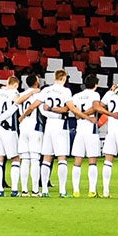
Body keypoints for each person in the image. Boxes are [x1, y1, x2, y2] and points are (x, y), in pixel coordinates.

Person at [37, 69, 74, 197]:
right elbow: (66, 109)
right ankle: (62, 191)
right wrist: (54, 110)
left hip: (48, 124)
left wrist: (48, 112)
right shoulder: (66, 91)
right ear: (64, 78)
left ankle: (45, 191)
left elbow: (40, 107)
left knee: (47, 157)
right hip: (60, 124)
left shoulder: (46, 90)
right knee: (61, 157)